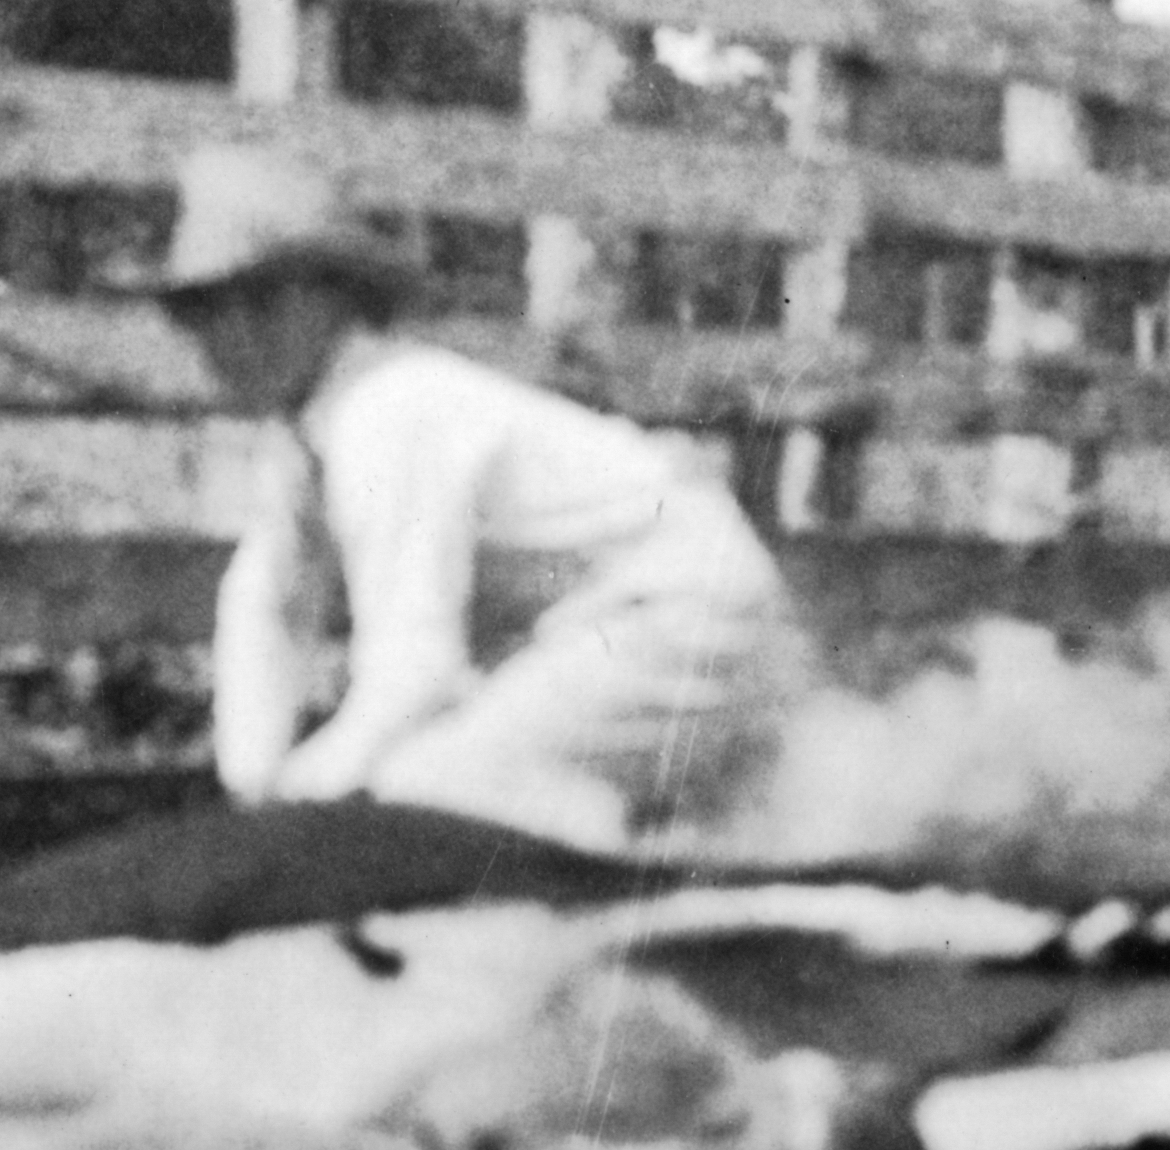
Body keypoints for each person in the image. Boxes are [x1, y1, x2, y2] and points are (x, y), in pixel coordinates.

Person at [159, 146, 827, 859]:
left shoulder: (386, 412)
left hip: (686, 625)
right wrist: (251, 787)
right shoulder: (305, 437)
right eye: (199, 310)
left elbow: (415, 673)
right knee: (415, 793)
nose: (225, 336)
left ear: (330, 299)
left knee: (422, 795)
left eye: (259, 301)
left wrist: (291, 812)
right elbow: (266, 602)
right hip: (615, 636)